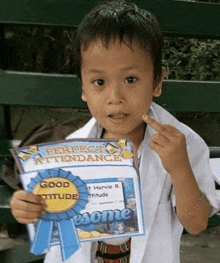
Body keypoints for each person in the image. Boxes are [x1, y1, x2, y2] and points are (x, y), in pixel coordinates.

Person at [10, 1, 218, 262]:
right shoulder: (68, 152)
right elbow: (52, 221)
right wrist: (27, 207)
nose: (115, 97)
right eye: (99, 82)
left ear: (157, 81)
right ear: (83, 89)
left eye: (130, 79)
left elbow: (196, 224)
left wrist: (179, 169)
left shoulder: (182, 144)